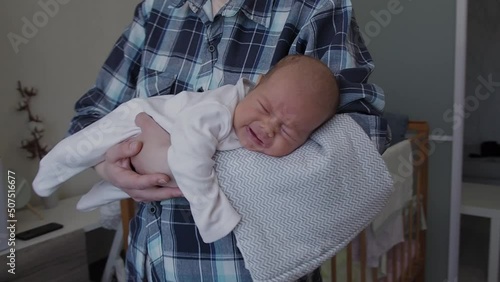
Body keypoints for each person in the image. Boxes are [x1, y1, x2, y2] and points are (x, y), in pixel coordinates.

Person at [68, 0, 388, 280]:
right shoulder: (156, 10)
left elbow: (361, 148)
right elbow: (89, 117)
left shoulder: (315, 9)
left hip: (244, 270)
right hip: (148, 261)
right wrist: (109, 168)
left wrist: (171, 160)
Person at [33, 55, 339, 243]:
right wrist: (212, 211)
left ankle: (101, 191)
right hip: (136, 119)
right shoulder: (217, 113)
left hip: (158, 159)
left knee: (134, 180)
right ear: (255, 86)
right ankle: (51, 169)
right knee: (83, 147)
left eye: (288, 129)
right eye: (264, 107)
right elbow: (188, 160)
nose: (268, 127)